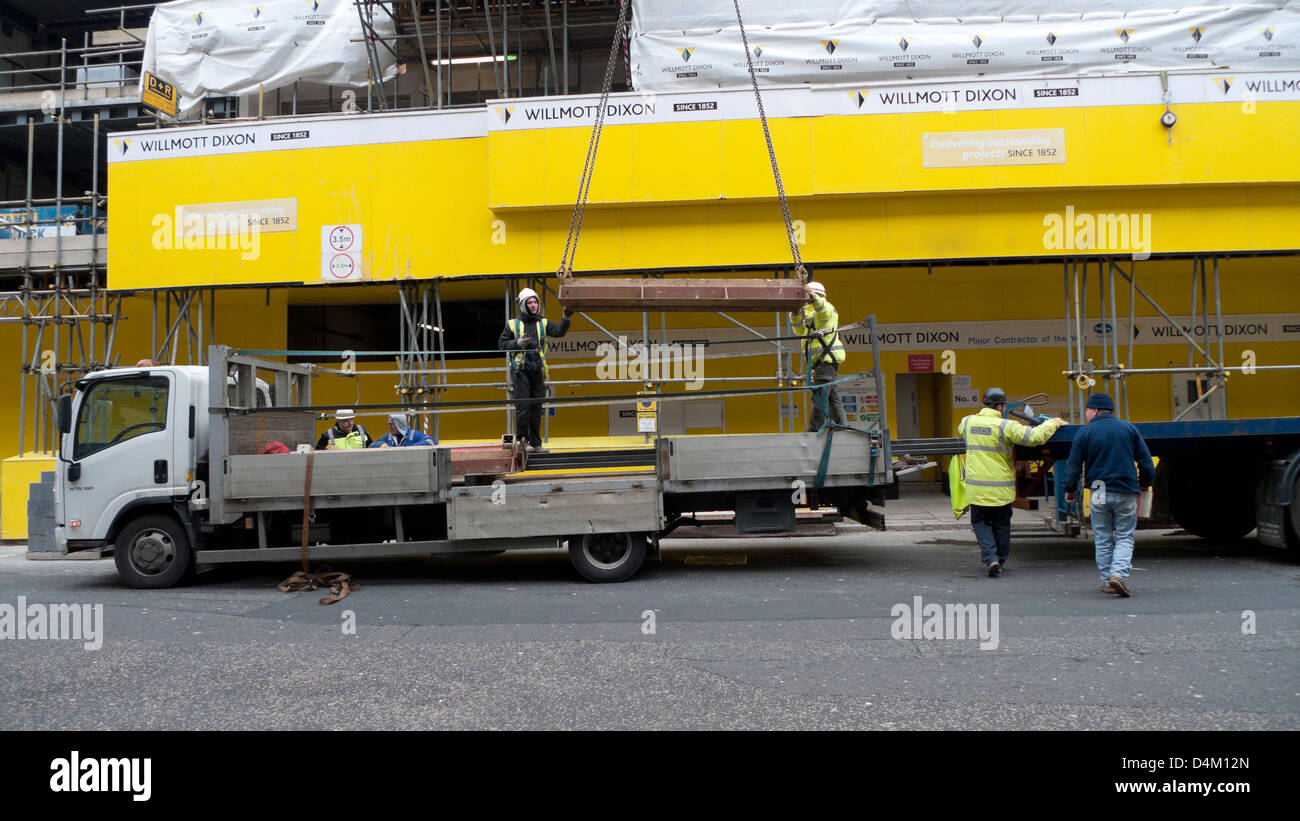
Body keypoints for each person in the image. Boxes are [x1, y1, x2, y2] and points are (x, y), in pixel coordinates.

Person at [958, 387, 1066, 577]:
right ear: (1000, 406)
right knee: (1001, 525)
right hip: (1000, 490)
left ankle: (990, 558)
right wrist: (1054, 423)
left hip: (977, 490)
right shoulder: (1006, 426)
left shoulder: (966, 422)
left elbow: (963, 434)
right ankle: (1000, 560)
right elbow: (1035, 437)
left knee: (981, 524)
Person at [1058, 393, 1155, 598]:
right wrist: (1145, 485)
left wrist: (1069, 489)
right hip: (1125, 489)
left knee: (1102, 537)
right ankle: (1118, 574)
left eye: (1086, 410)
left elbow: (1074, 465)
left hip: (1099, 489)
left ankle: (1106, 580)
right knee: (1124, 535)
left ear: (1094, 410)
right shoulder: (1129, 429)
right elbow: (1146, 463)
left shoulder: (1085, 433)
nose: (1085, 414)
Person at [498, 287, 573, 452]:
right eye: (530, 302)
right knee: (523, 406)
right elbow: (502, 344)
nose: (533, 305)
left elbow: (559, 331)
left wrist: (565, 318)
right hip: (520, 370)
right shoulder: (513, 324)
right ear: (523, 305)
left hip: (537, 368)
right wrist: (516, 344)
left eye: (535, 302)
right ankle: (523, 443)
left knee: (536, 406)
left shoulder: (543, 323)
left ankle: (535, 443)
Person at [789, 280, 846, 431]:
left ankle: (815, 429)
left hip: (825, 359)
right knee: (832, 396)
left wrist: (813, 297)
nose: (805, 302)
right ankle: (841, 426)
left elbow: (823, 310)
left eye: (807, 298)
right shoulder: (809, 315)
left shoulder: (827, 309)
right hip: (822, 361)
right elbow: (799, 331)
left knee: (820, 395)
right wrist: (794, 314)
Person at [368, 412, 434, 448]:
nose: (389, 427)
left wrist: (413, 447)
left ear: (399, 424)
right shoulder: (388, 436)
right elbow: (371, 445)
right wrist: (381, 444)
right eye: (388, 424)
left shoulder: (414, 434)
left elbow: (431, 441)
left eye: (391, 424)